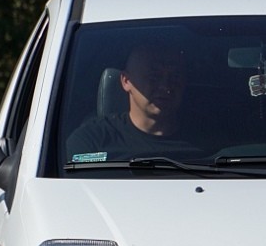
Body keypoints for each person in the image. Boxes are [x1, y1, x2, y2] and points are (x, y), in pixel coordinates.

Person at [67, 44, 204, 162]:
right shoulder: (92, 142)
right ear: (126, 81)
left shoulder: (209, 142)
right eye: (154, 77)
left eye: (174, 77)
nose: (165, 86)